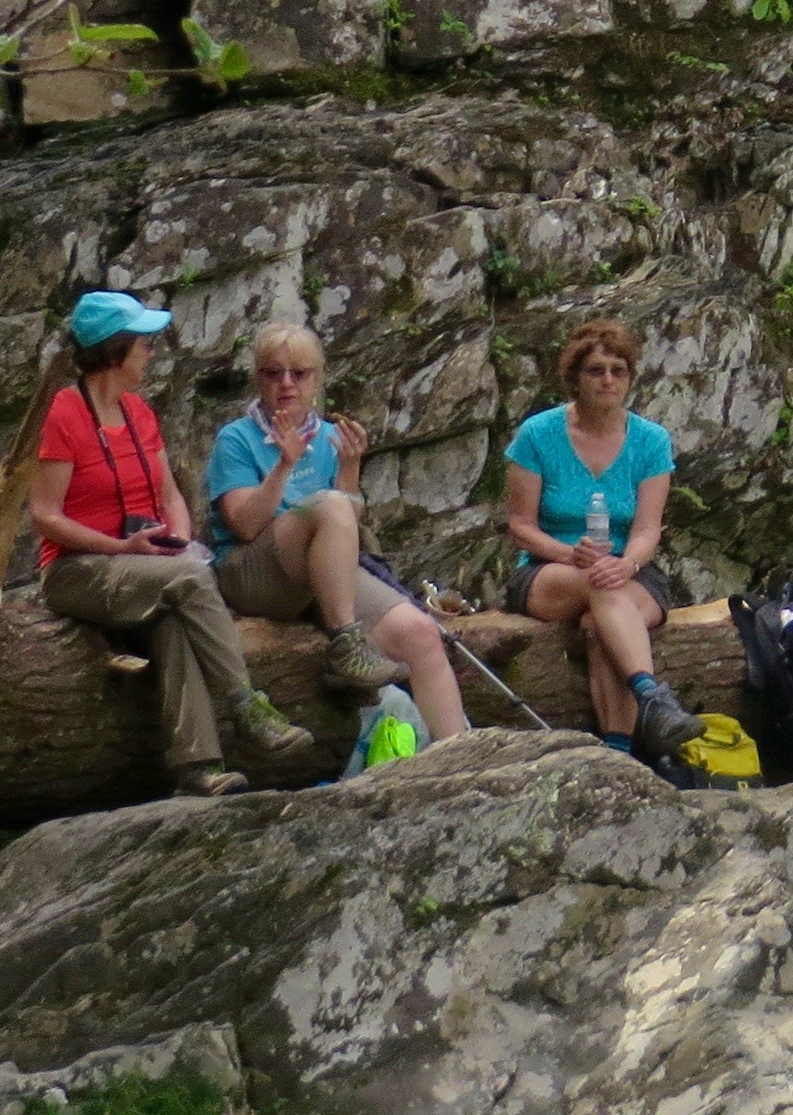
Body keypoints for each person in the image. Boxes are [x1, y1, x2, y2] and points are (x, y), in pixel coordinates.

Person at [29, 289, 312, 797]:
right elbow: (45, 515)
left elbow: (168, 495)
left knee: (176, 622)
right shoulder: (64, 414)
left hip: (147, 565)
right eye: (145, 344)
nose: (152, 353)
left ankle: (198, 768)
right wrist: (120, 549)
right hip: (78, 569)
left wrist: (176, 537)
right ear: (117, 350)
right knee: (189, 578)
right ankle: (246, 705)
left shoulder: (138, 412)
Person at [204, 321, 470, 739]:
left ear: (317, 379)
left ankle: (460, 754)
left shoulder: (327, 437)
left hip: (318, 575)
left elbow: (347, 526)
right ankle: (347, 643)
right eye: (273, 373)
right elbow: (244, 524)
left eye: (299, 373)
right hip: (252, 572)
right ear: (258, 380)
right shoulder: (236, 439)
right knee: (329, 505)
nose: (286, 385)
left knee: (420, 633)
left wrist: (349, 468)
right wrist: (284, 466)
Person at [501, 320, 696, 763]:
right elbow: (520, 525)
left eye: (618, 370)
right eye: (596, 370)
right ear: (575, 377)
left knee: (598, 626)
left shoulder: (650, 441)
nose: (608, 380)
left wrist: (627, 564)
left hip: (630, 570)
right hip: (551, 570)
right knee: (597, 582)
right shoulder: (538, 434)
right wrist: (570, 553)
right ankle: (652, 696)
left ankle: (618, 753)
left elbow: (648, 529)